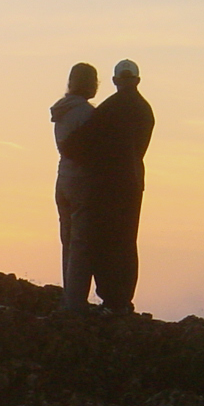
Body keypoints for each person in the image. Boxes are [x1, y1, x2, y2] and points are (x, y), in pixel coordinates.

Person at [58, 58, 155, 314]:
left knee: (99, 241)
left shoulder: (108, 109)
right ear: (137, 80)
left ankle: (98, 300)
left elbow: (79, 143)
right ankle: (120, 300)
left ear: (115, 81)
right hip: (132, 183)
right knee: (125, 241)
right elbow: (139, 149)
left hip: (106, 185)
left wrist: (69, 151)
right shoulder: (146, 110)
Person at [50, 63, 98, 312]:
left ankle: (70, 296)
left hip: (62, 179)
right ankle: (75, 303)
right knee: (81, 243)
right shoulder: (86, 113)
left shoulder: (62, 110)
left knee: (67, 240)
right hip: (80, 180)